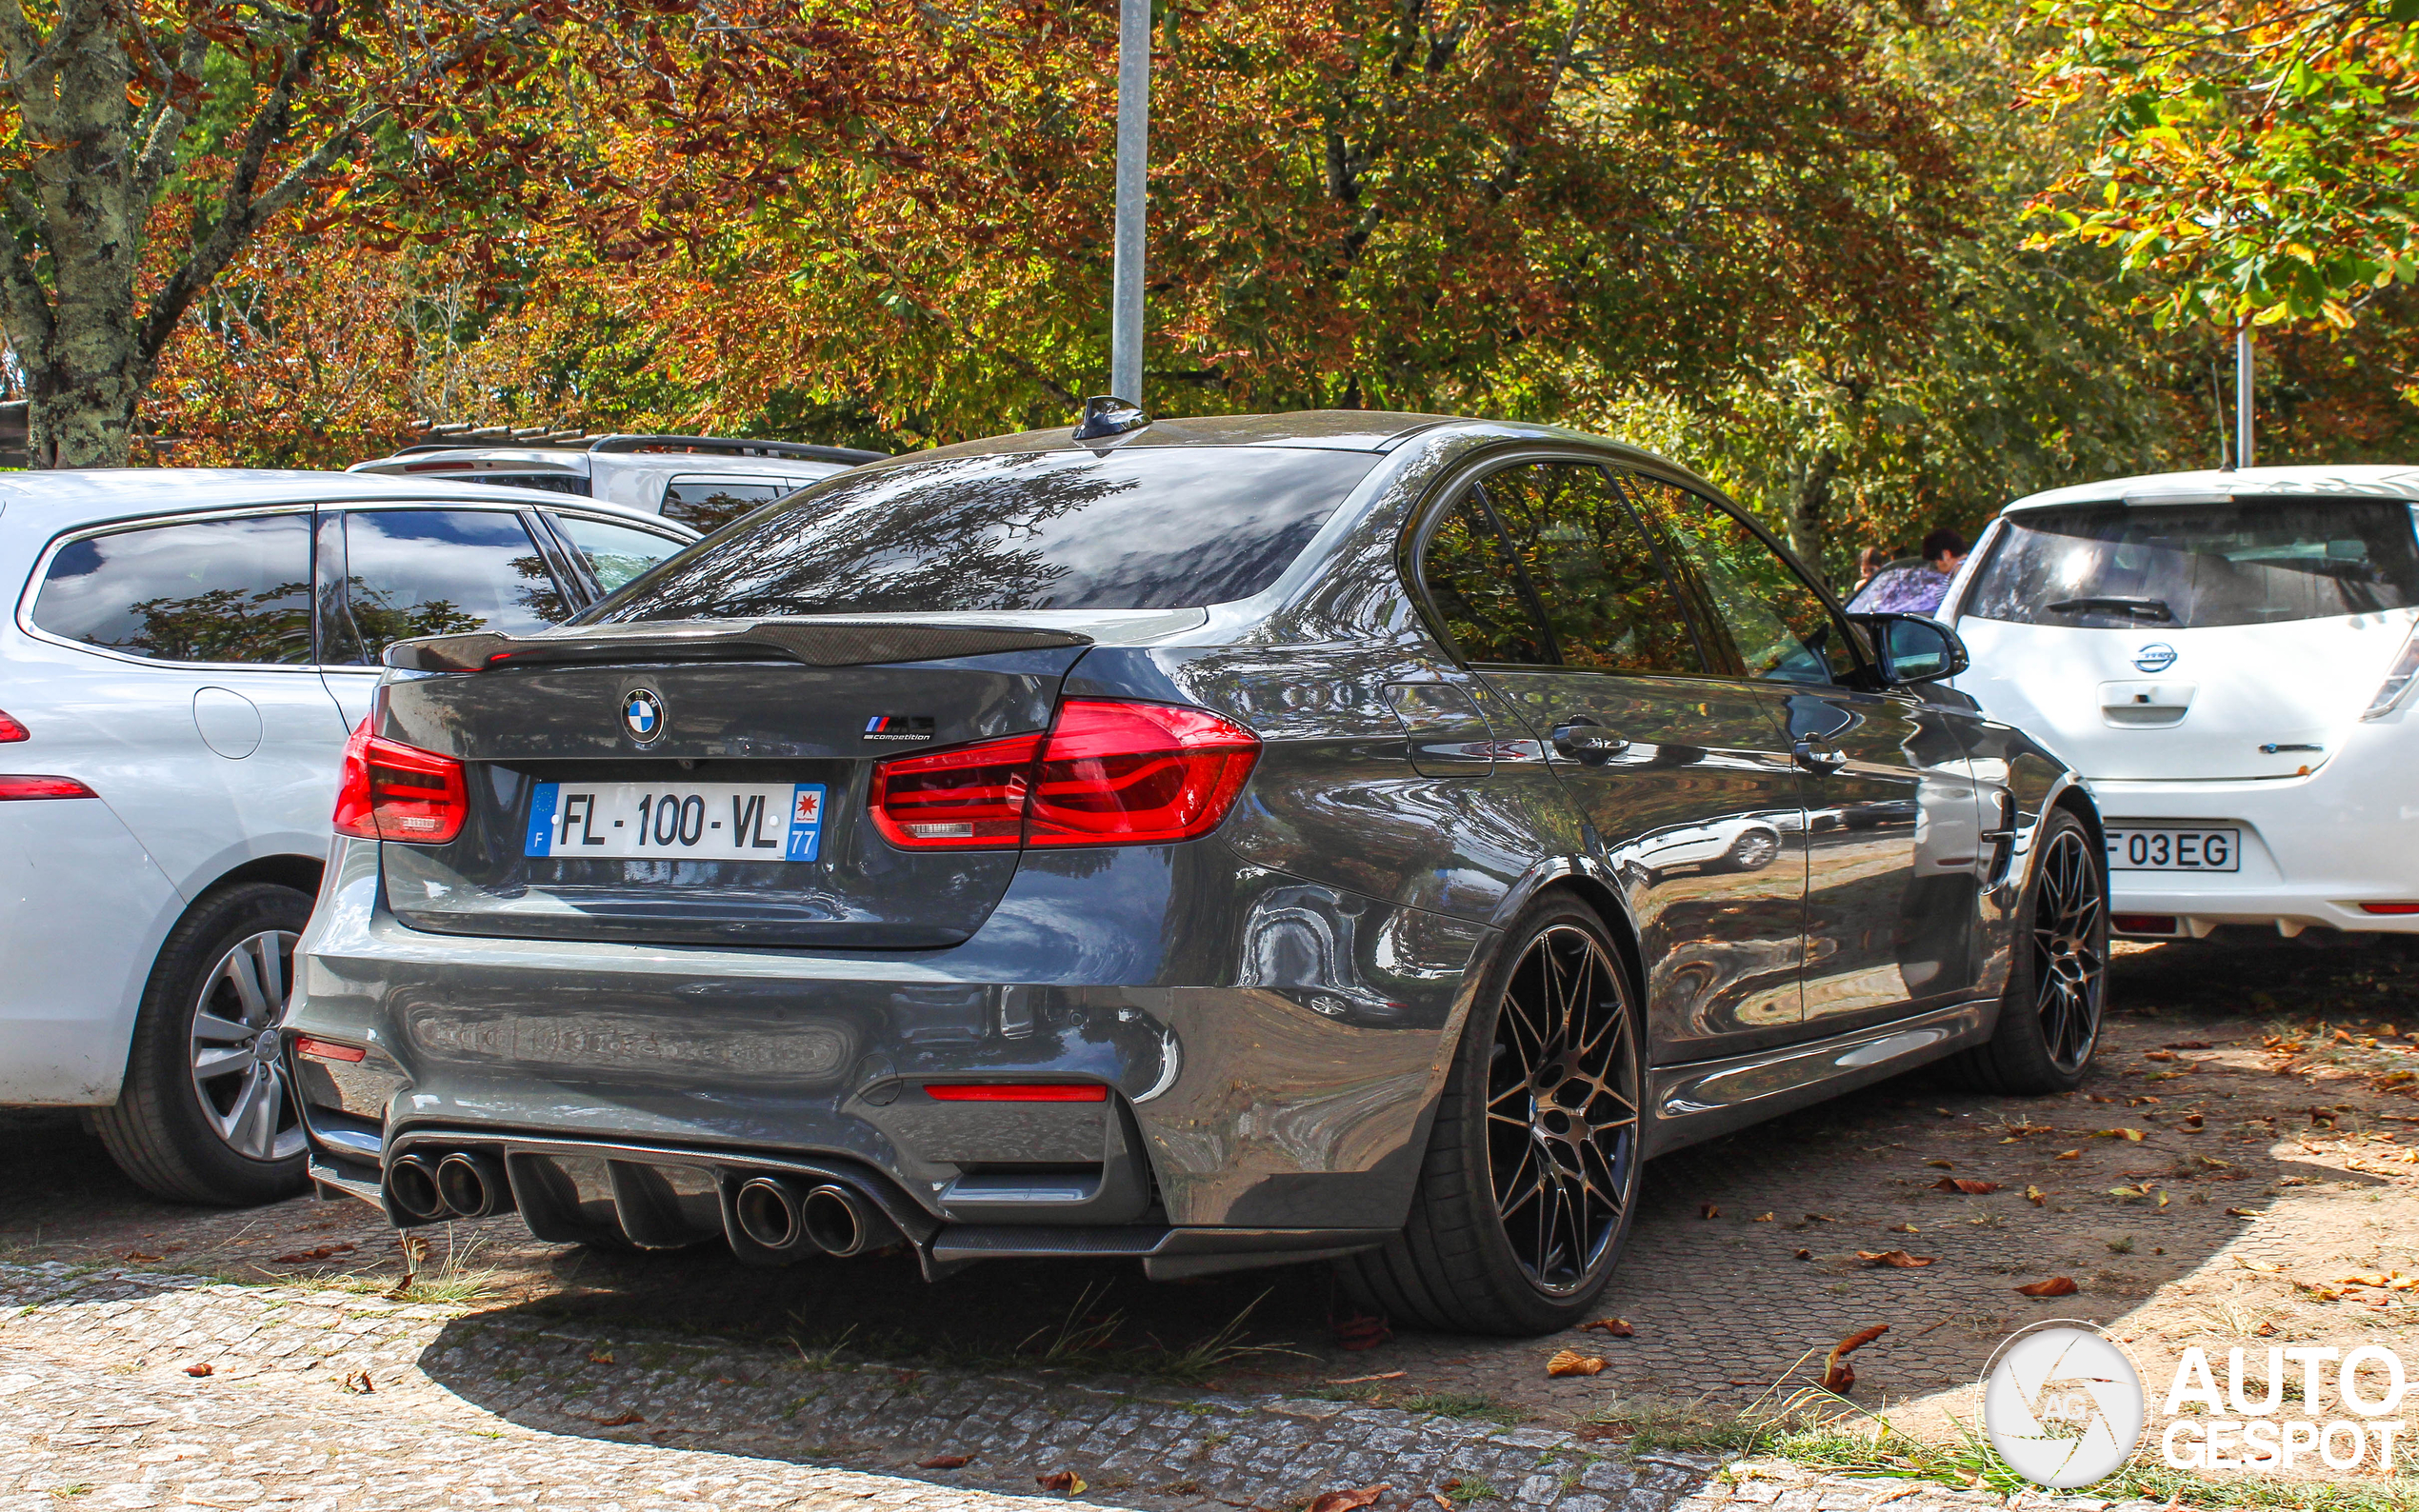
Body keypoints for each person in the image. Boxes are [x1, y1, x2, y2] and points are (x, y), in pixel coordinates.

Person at [1848, 527, 1968, 615]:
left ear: (1946, 555)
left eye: (1935, 562)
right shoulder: (1965, 570)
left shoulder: (1960, 571)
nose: (1936, 568)